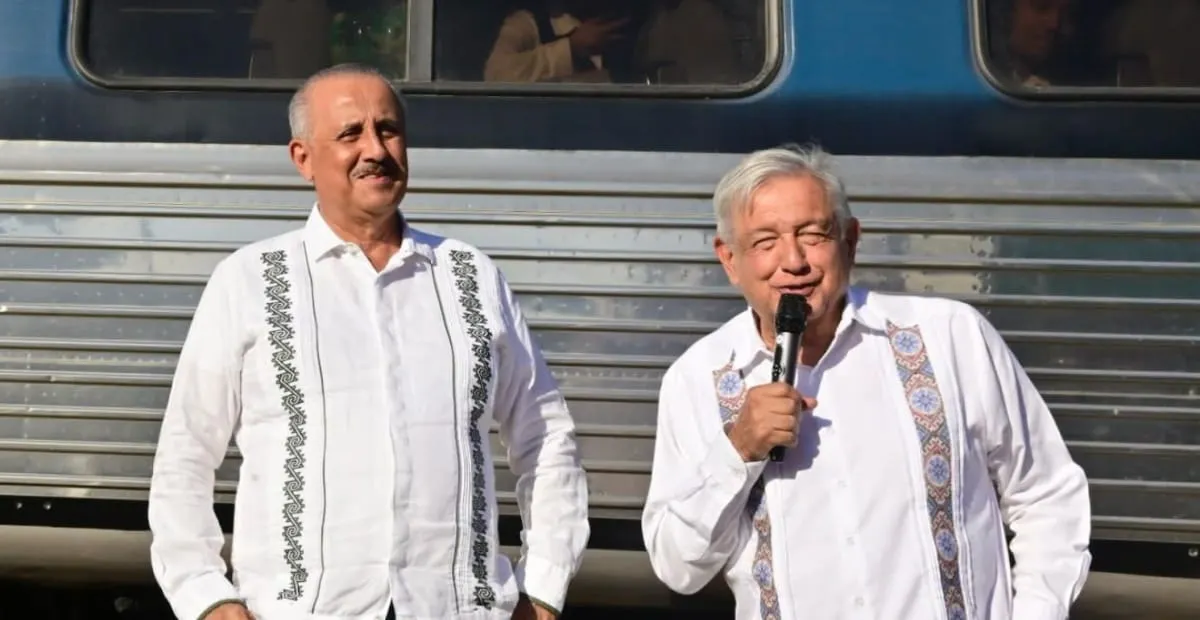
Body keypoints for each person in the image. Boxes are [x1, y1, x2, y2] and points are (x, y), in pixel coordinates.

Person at [147, 63, 589, 620]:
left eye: (389, 129)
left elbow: (546, 439)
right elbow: (185, 456)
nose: (375, 149)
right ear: (302, 158)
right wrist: (207, 598)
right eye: (350, 133)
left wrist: (543, 588)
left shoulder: (470, 276)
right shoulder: (250, 280)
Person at [640, 144, 1091, 619]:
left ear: (850, 241)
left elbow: (1047, 497)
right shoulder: (696, 380)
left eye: (813, 234)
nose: (793, 261)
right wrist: (738, 451)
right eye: (765, 242)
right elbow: (678, 568)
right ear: (729, 259)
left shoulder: (949, 337)